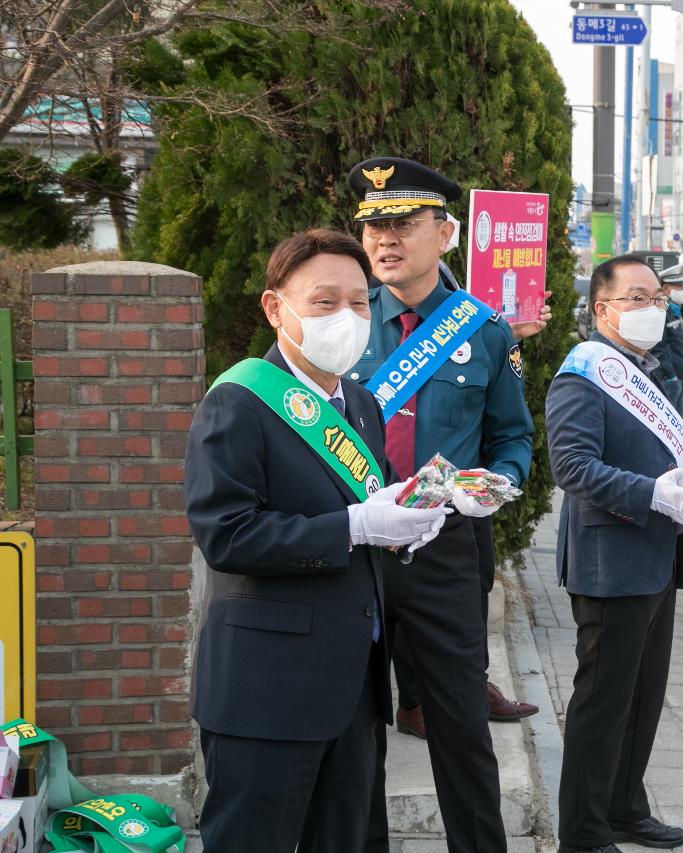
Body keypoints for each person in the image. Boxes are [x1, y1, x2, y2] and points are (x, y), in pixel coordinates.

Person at [185, 229, 450, 853]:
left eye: (360, 303)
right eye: (325, 302)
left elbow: (365, 509)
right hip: (266, 690)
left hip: (354, 684)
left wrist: (404, 523)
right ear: (277, 308)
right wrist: (358, 526)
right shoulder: (238, 403)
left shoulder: (359, 402)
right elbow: (227, 536)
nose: (348, 318)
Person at [346, 156, 534, 853]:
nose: (384, 240)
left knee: (460, 724)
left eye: (402, 223)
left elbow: (513, 435)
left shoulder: (483, 330)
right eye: (372, 227)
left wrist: (499, 483)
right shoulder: (344, 319)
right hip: (354, 547)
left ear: (445, 233)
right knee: (354, 726)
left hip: (444, 547)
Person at [547, 253, 683, 853]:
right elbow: (573, 467)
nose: (652, 309)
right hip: (609, 562)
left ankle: (622, 805)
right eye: (636, 298)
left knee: (643, 694)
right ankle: (584, 833)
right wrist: (653, 494)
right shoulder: (582, 375)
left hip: (658, 555)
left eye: (659, 299)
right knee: (602, 702)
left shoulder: (653, 370)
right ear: (602, 308)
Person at [650, 260, 683, 412]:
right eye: (679, 286)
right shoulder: (662, 313)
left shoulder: (674, 310)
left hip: (677, 378)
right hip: (668, 380)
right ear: (666, 289)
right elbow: (658, 348)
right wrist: (670, 375)